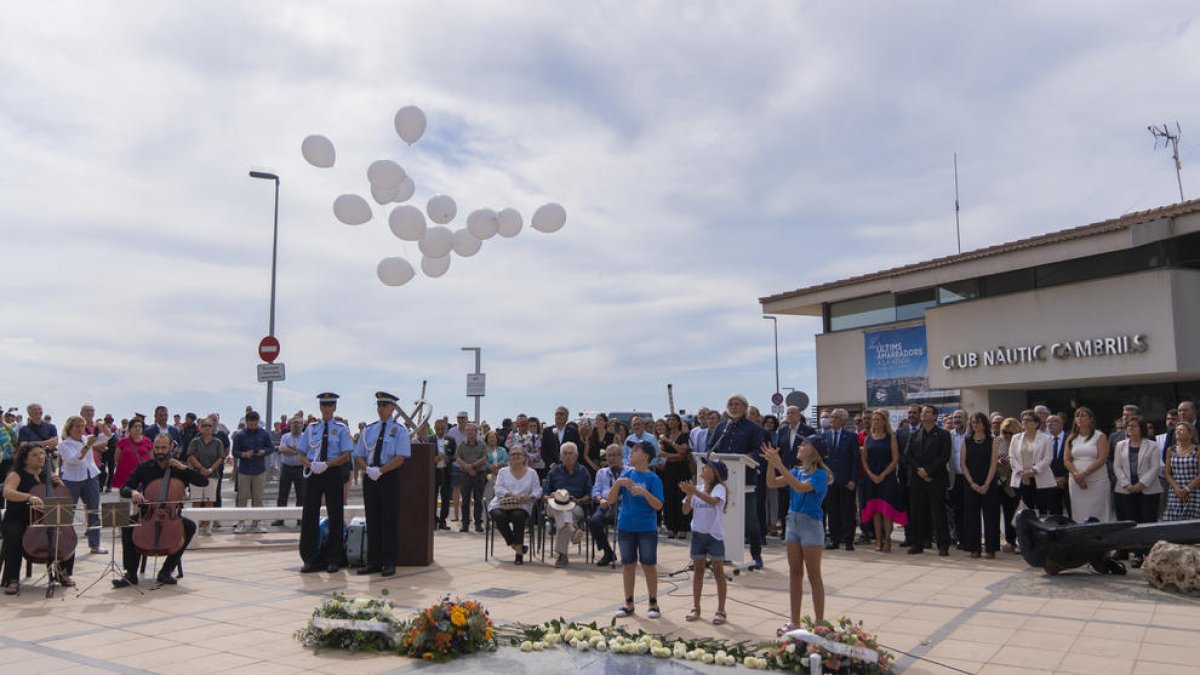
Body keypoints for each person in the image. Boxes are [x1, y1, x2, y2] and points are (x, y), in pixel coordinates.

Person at [112, 433, 208, 588]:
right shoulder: (145, 467)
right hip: (147, 515)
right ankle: (130, 574)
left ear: (171, 447)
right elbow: (125, 488)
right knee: (128, 524)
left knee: (190, 527)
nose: (160, 451)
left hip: (171, 517)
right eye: (157, 448)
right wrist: (133, 492)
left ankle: (166, 571)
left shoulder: (179, 468)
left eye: (164, 447)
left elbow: (203, 482)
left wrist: (185, 469)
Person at [763, 434, 831, 634]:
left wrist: (780, 464)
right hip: (793, 522)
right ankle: (794, 620)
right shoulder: (797, 471)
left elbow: (800, 488)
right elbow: (771, 483)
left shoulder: (820, 475)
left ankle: (820, 623)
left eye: (805, 444)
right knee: (795, 573)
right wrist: (771, 463)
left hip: (810, 524)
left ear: (815, 450)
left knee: (813, 574)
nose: (800, 446)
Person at [2, 445, 77, 593]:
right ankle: (12, 579)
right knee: (14, 536)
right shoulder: (16, 474)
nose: (41, 457)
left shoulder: (46, 474)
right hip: (18, 518)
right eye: (35, 455)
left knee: (65, 534)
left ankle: (64, 574)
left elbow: (62, 496)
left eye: (42, 454)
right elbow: (7, 492)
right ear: (25, 459)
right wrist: (29, 497)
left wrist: (59, 482)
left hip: (42, 518)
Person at [353, 392, 411, 577]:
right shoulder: (369, 430)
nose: (381, 409)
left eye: (384, 406)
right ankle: (373, 561)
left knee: (389, 520)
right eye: (378, 405)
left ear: (393, 408)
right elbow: (359, 455)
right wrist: (368, 469)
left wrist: (381, 470)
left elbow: (400, 457)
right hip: (371, 476)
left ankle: (389, 561)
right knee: (373, 519)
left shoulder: (400, 431)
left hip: (388, 477)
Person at [299, 393, 355, 574]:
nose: (327, 408)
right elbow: (301, 453)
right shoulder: (311, 428)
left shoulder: (341, 429)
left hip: (332, 472)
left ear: (334, 408)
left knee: (336, 514)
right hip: (314, 472)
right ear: (320, 407)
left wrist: (327, 464)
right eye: (324, 405)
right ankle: (309, 558)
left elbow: (346, 455)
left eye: (330, 405)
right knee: (309, 514)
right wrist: (310, 465)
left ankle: (334, 558)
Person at [707, 395, 765, 569]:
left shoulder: (753, 428)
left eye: (737, 404)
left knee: (751, 521)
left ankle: (756, 555)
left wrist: (749, 456)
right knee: (721, 519)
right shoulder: (722, 427)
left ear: (745, 407)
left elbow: (759, 451)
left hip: (744, 480)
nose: (733, 407)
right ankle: (722, 553)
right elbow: (712, 448)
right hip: (722, 481)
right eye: (730, 404)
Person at [610, 440, 664, 619]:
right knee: (628, 565)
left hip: (646, 527)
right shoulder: (626, 474)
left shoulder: (653, 478)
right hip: (626, 525)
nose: (630, 453)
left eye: (635, 450)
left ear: (646, 456)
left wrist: (644, 493)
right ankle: (629, 603)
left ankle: (653, 603)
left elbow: (658, 505)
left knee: (648, 565)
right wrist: (617, 484)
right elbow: (610, 501)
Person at [680, 457, 728, 625]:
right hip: (698, 535)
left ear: (715, 474)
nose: (703, 468)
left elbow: (713, 502)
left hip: (714, 536)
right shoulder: (697, 489)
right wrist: (688, 495)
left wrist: (694, 492)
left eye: (707, 467)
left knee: (718, 572)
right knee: (698, 571)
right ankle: (696, 607)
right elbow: (686, 511)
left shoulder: (720, 489)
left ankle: (721, 610)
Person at [1112, 416, 1162, 566]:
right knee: (1129, 520)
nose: (1130, 429)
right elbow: (1117, 466)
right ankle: (1128, 550)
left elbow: (1154, 468)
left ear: (1141, 429)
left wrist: (1141, 484)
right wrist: (1127, 484)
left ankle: (1145, 554)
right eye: (1128, 426)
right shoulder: (1120, 445)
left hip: (1148, 490)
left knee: (1146, 521)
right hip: (1125, 489)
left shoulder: (1152, 445)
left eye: (1134, 426)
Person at [903, 405, 952, 555]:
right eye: (922, 412)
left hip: (935, 479)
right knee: (917, 513)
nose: (924, 414)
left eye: (927, 412)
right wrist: (920, 470)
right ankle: (918, 544)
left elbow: (944, 456)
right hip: (917, 479)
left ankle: (943, 545)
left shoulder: (943, 434)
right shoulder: (914, 434)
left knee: (938, 513)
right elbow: (907, 455)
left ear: (935, 416)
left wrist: (929, 471)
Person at [58, 415, 106, 554]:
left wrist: (102, 426)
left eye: (82, 426)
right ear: (69, 428)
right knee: (68, 512)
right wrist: (87, 445)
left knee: (93, 511)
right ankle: (65, 544)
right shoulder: (64, 444)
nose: (80, 429)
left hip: (90, 476)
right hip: (71, 479)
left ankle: (95, 544)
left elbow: (107, 437)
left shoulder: (87, 438)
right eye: (76, 426)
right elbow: (74, 460)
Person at [860, 409, 905, 552]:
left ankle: (888, 539)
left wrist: (883, 475)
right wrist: (870, 474)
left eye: (878, 419)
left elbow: (895, 459)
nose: (876, 422)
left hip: (887, 478)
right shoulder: (868, 438)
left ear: (884, 421)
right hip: (871, 478)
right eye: (874, 419)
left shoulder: (891, 437)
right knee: (875, 511)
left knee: (886, 511)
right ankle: (878, 540)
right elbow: (864, 459)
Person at [487, 447, 541, 565]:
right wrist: (510, 494)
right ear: (509, 458)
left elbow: (538, 491)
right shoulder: (503, 471)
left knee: (518, 516)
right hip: (502, 503)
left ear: (524, 458)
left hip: (522, 505)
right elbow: (498, 489)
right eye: (513, 454)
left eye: (519, 454)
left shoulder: (532, 473)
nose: (516, 456)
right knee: (498, 515)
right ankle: (517, 546)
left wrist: (529, 497)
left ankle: (518, 554)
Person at [960, 412, 1000, 559]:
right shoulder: (966, 440)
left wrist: (986, 484)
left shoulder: (992, 441)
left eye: (978, 422)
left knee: (990, 516)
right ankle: (974, 547)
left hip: (988, 482)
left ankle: (991, 548)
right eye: (973, 422)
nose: (975, 425)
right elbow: (963, 464)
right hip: (971, 482)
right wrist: (972, 483)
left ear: (984, 424)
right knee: (971, 516)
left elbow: (993, 464)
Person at [1064, 406, 1112, 523]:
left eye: (1083, 415)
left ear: (1091, 419)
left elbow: (1102, 458)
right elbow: (1066, 460)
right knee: (1079, 512)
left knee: (1098, 512)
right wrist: (1077, 475)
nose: (1080, 418)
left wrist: (1084, 473)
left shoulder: (1099, 436)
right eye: (1078, 416)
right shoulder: (1071, 438)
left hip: (1097, 481)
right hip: (1076, 482)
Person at [824, 409, 860, 551]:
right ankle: (834, 539)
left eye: (836, 417)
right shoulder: (825, 435)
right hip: (830, 480)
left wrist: (853, 479)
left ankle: (849, 540)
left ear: (844, 421)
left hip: (846, 480)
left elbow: (856, 460)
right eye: (832, 417)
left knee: (848, 512)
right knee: (832, 512)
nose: (832, 419)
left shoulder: (851, 436)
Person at [1009, 410, 1055, 515]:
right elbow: (1012, 457)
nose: (1024, 422)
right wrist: (1022, 473)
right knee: (1024, 512)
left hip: (1041, 479)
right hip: (1021, 479)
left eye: (1028, 420)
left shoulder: (1046, 438)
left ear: (1036, 423)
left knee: (1042, 511)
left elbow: (1048, 458)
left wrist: (1033, 471)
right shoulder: (1015, 438)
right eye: (1023, 420)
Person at [187, 417, 226, 535]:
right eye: (204, 426)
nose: (207, 428)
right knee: (196, 500)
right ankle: (196, 525)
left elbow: (220, 458)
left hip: (212, 475)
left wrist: (210, 469)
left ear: (213, 428)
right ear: (200, 428)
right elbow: (190, 456)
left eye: (209, 426)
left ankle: (207, 525)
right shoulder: (195, 441)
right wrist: (201, 468)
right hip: (196, 475)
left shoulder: (218, 442)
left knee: (210, 500)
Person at [589, 444, 624, 567]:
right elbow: (595, 491)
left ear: (621, 456)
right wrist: (600, 500)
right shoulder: (601, 472)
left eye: (614, 455)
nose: (611, 458)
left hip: (623, 504)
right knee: (593, 522)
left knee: (624, 522)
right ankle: (608, 552)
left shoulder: (628, 471)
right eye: (609, 456)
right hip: (605, 504)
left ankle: (628, 554)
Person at [660, 413, 692, 539]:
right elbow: (661, 452)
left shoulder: (684, 436)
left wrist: (670, 442)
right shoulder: (665, 436)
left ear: (678, 422)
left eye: (673, 420)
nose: (671, 422)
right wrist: (674, 456)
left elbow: (683, 450)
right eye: (669, 420)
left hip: (682, 469)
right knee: (669, 498)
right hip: (669, 469)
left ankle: (683, 527)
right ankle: (671, 527)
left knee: (682, 497)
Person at [452, 422, 488, 533]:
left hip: (479, 474)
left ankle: (478, 524)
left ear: (476, 432)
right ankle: (465, 525)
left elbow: (484, 458)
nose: (470, 432)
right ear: (466, 432)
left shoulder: (482, 444)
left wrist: (472, 466)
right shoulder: (461, 444)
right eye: (468, 430)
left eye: (473, 430)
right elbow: (458, 458)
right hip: (464, 475)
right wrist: (467, 468)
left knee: (478, 500)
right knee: (465, 500)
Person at [1163, 421, 1200, 521]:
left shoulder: (1197, 450)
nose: (1177, 432)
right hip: (1175, 491)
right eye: (1176, 430)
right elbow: (1167, 473)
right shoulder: (1170, 450)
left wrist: (1186, 489)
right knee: (1172, 524)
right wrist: (1178, 490)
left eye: (1181, 430)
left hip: (1194, 491)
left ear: (1190, 434)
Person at [274, 417, 306, 526]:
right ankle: (280, 518)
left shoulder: (306, 437)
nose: (296, 425)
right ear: (290, 425)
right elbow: (282, 449)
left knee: (301, 495)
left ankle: (300, 519)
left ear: (302, 425)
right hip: (287, 468)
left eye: (299, 423)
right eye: (294, 423)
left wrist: (291, 449)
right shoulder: (285, 436)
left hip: (300, 468)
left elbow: (306, 451)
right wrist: (297, 450)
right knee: (283, 494)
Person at [541, 406, 582, 482]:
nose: (558, 416)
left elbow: (577, 449)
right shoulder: (547, 431)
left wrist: (569, 463)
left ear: (567, 418)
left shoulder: (573, 432)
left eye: (561, 414)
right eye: (557, 414)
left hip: (569, 468)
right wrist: (552, 464)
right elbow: (544, 451)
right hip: (551, 469)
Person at [432, 419, 458, 529]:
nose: (440, 431)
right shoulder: (429, 440)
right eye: (438, 429)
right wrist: (434, 459)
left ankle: (442, 521)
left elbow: (455, 456)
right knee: (432, 497)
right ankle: (433, 521)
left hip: (446, 472)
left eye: (442, 429)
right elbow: (425, 456)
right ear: (434, 429)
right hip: (434, 472)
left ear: (446, 429)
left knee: (446, 498)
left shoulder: (451, 440)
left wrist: (447, 458)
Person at [113, 418, 152, 489]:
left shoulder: (148, 441)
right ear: (130, 428)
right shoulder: (122, 442)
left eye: (140, 426)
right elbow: (116, 458)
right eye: (135, 426)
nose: (137, 428)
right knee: (124, 497)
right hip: (125, 475)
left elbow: (151, 459)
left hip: (142, 475)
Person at [482, 430, 508, 505]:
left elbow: (505, 460)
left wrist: (497, 467)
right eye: (490, 437)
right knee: (487, 496)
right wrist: (492, 468)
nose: (492, 439)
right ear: (486, 439)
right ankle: (486, 514)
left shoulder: (502, 449)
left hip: (501, 474)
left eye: (493, 437)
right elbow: (483, 461)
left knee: (499, 495)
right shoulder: (484, 450)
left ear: (497, 439)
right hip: (488, 475)